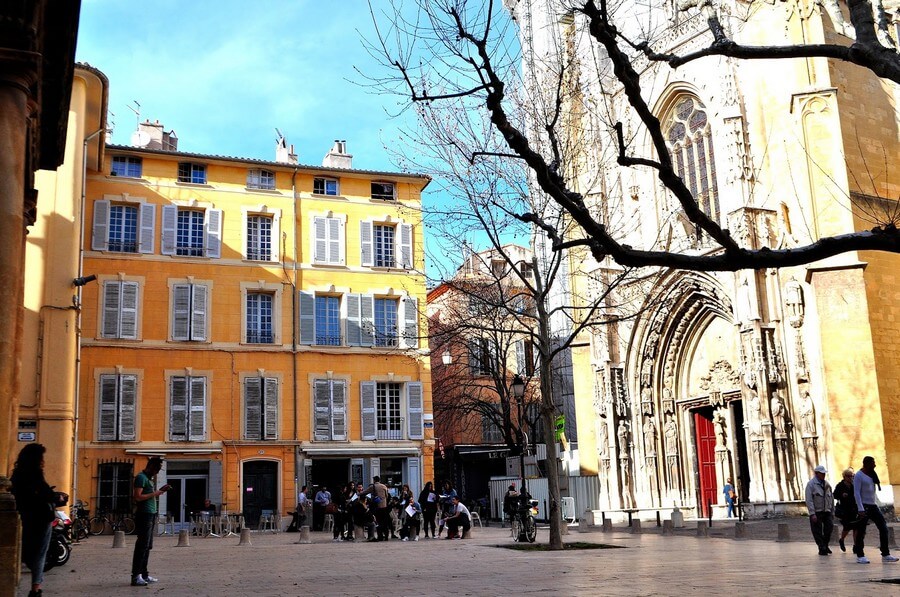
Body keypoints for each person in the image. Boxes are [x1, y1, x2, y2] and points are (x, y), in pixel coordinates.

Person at [11, 443, 64, 597]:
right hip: (41, 517)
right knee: (40, 553)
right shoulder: (36, 474)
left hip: (24, 516)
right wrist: (57, 497)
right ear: (36, 459)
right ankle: (36, 589)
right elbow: (47, 493)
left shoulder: (16, 475)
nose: (43, 461)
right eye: (41, 457)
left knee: (26, 549)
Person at [131, 456, 171, 586]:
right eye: (157, 469)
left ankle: (144, 574)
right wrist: (155, 493)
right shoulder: (141, 478)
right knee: (142, 546)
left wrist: (160, 491)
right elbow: (137, 496)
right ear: (152, 467)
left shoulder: (147, 478)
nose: (157, 472)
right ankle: (136, 576)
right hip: (144, 514)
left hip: (151, 514)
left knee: (147, 546)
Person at [853, 456, 899, 564]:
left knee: (883, 528)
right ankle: (860, 555)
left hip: (873, 505)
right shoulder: (859, 476)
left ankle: (885, 554)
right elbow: (857, 493)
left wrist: (876, 504)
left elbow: (872, 492)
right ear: (866, 464)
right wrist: (860, 508)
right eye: (872, 463)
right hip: (864, 506)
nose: (874, 465)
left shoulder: (872, 474)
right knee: (861, 531)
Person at [804, 465, 834, 555]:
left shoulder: (827, 484)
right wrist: (812, 513)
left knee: (829, 528)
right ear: (816, 473)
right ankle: (821, 547)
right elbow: (809, 500)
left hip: (827, 510)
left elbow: (831, 498)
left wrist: (832, 511)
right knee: (817, 531)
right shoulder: (811, 484)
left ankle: (825, 544)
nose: (823, 475)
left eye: (824, 473)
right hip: (817, 511)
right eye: (822, 473)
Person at [833, 468, 859, 553]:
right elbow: (835, 495)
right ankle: (842, 539)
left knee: (856, 527)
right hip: (845, 510)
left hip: (854, 508)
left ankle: (855, 546)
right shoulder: (840, 485)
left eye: (851, 476)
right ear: (844, 477)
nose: (850, 478)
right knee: (847, 527)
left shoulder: (854, 485)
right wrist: (841, 495)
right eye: (848, 476)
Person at [365, 475, 391, 541]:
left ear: (374, 480)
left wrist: (358, 494)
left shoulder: (373, 486)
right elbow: (387, 496)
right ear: (379, 480)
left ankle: (380, 536)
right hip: (384, 506)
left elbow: (365, 492)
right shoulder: (384, 486)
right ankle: (386, 536)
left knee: (378, 522)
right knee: (385, 522)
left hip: (377, 507)